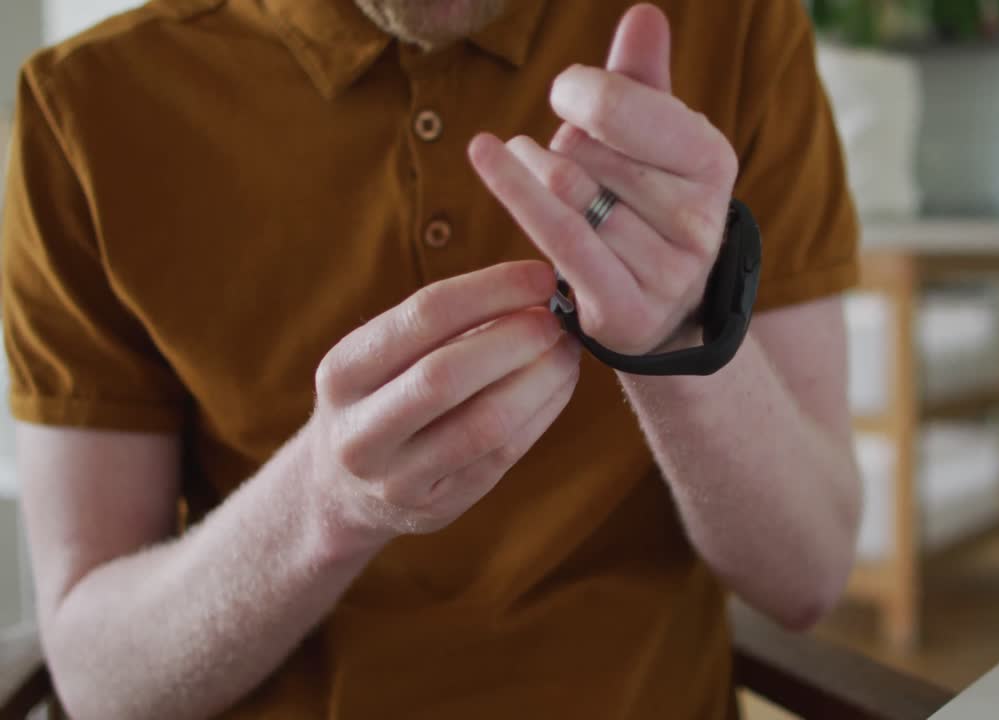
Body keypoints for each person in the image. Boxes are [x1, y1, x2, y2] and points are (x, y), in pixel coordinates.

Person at [0, 0, 863, 717]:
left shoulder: (736, 23)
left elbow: (807, 576)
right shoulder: (86, 108)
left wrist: (678, 335)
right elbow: (99, 678)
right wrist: (322, 507)